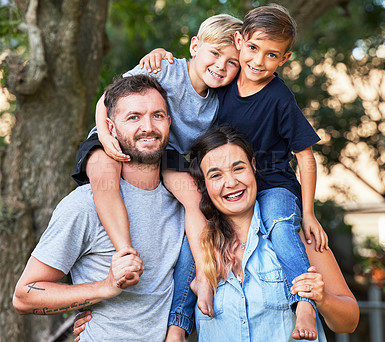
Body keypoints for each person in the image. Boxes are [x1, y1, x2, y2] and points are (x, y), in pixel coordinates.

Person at [138, 3, 328, 339]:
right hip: (227, 187)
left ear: (283, 60)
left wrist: (309, 213)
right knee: (192, 242)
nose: (258, 62)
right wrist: (160, 56)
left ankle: (304, 304)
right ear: (240, 42)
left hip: (272, 186)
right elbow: (189, 76)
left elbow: (306, 156)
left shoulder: (279, 97)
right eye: (253, 49)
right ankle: (178, 327)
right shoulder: (223, 83)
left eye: (272, 55)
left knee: (281, 228)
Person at [74, 126, 359, 341]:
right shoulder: (192, 249)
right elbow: (150, 304)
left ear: (254, 168)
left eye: (239, 168)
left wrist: (322, 299)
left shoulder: (297, 234)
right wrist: (97, 319)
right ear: (204, 185)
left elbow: (348, 321)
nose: (231, 183)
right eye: (216, 175)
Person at [72, 15, 242, 338]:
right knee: (104, 175)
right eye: (215, 54)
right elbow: (109, 97)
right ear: (195, 46)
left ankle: (203, 276)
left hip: (163, 154)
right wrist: (106, 134)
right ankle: (124, 252)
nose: (221, 66)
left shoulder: (219, 101)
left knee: (196, 199)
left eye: (232, 62)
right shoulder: (165, 69)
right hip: (120, 136)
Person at [13, 75, 186, 342]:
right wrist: (104, 288)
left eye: (158, 115)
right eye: (134, 117)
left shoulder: (181, 201)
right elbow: (25, 295)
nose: (148, 127)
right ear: (110, 127)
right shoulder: (85, 204)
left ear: (169, 122)